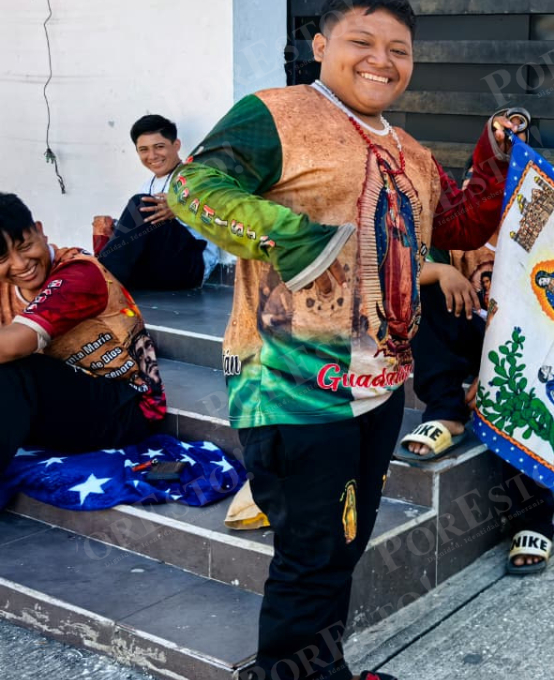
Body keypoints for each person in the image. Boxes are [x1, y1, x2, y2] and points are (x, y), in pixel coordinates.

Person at [165, 2, 524, 679]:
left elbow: (459, 219)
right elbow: (195, 184)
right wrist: (298, 242)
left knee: (345, 543)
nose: (381, 61)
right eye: (362, 41)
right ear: (321, 43)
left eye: (399, 48)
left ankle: (320, 669)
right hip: (290, 383)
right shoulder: (275, 112)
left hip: (380, 386)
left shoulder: (409, 150)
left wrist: (492, 154)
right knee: (311, 553)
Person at [399, 237, 554, 576]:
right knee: (426, 289)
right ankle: (447, 412)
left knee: (518, 394)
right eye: (479, 180)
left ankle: (533, 519)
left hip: (528, 347)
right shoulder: (457, 226)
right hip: (470, 330)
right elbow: (403, 269)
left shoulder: (543, 229)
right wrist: (442, 270)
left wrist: (495, 370)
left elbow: (551, 324)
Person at [0, 192, 166, 477]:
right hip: (59, 406)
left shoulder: (79, 274)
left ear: (40, 230)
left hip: (126, 410)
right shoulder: (5, 287)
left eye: (25, 246)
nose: (19, 264)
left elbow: (12, 346)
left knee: (14, 368)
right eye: (2, 257)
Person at [92, 115, 220, 290]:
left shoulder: (195, 176)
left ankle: (99, 282)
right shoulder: (148, 185)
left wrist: (179, 209)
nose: (152, 155)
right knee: (126, 218)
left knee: (141, 205)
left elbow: (220, 216)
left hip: (192, 267)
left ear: (176, 145)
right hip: (160, 269)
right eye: (144, 149)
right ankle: (100, 277)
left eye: (159, 147)